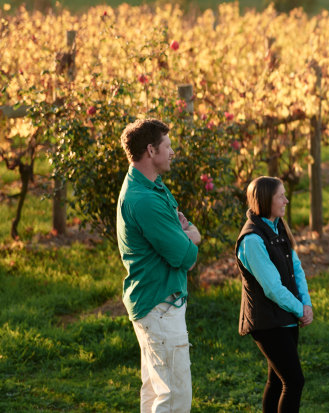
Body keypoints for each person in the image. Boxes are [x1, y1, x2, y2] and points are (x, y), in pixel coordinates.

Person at [116, 118, 201, 413]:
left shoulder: (153, 187)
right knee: (175, 397)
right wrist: (192, 237)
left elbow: (183, 226)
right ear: (151, 151)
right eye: (167, 146)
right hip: (160, 308)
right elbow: (186, 256)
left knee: (155, 391)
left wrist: (186, 234)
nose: (172, 151)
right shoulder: (144, 200)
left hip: (157, 304)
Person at [236, 176, 313, 413]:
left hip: (285, 316)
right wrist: (300, 309)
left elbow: (296, 267)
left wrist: (306, 303)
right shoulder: (252, 240)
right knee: (294, 381)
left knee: (278, 380)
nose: (286, 200)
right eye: (281, 196)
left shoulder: (277, 225)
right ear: (265, 200)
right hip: (267, 322)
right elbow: (272, 287)